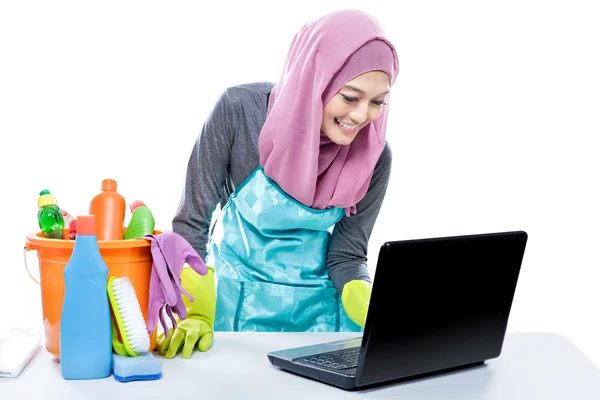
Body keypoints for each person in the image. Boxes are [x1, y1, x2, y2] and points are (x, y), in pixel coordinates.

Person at [157, 9, 399, 359]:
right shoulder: (239, 112)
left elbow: (347, 256)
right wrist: (194, 307)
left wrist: (371, 305)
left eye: (378, 102)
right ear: (317, 78)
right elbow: (192, 221)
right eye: (350, 97)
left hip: (321, 323)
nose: (362, 116)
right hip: (234, 312)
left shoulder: (374, 154)